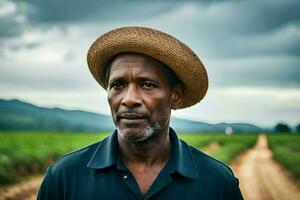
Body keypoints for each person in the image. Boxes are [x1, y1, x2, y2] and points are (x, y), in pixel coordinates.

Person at [38, 26, 243, 200]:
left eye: (147, 84)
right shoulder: (64, 177)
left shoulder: (217, 183)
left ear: (176, 96)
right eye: (118, 85)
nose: (129, 99)